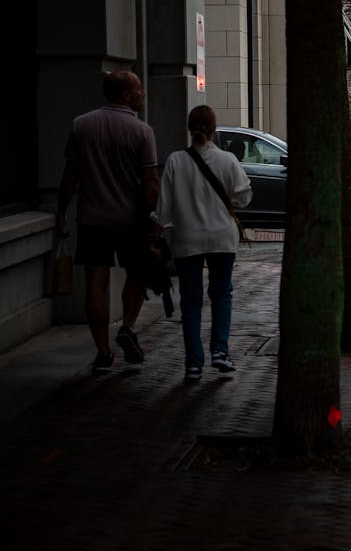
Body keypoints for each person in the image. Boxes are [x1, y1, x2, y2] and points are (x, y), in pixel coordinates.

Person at [56, 70, 161, 375]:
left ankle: (103, 352)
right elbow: (150, 181)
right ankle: (127, 326)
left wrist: (61, 212)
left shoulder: (81, 125)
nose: (143, 93)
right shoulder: (142, 131)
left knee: (96, 284)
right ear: (126, 95)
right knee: (138, 274)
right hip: (130, 220)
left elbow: (70, 176)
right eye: (139, 89)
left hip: (92, 218)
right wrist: (157, 220)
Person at [152, 105, 253, 383]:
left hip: (186, 238)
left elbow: (163, 209)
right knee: (222, 294)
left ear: (189, 128)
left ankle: (193, 363)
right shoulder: (228, 160)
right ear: (213, 129)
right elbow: (243, 198)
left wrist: (157, 234)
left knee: (191, 300)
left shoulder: (175, 161)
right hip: (222, 237)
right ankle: (220, 350)